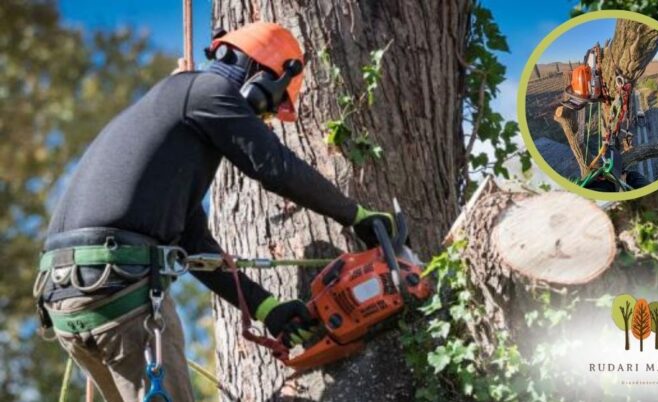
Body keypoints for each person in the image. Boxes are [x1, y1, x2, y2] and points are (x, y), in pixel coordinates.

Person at [33, 22, 393, 401]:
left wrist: (266, 308)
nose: (262, 122)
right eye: (268, 111)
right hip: (118, 293)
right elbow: (275, 167)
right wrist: (356, 216)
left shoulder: (169, 121)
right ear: (262, 82)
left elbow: (193, 243)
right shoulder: (209, 91)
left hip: (69, 300)